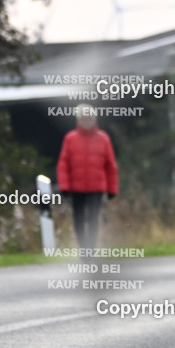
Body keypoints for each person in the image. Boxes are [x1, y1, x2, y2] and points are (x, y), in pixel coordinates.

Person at [56, 103, 118, 249]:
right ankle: (82, 247)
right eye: (83, 118)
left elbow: (110, 165)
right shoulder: (70, 138)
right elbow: (63, 164)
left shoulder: (103, 138)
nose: (86, 121)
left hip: (96, 187)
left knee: (93, 219)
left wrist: (112, 189)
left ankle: (90, 247)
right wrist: (64, 187)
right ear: (78, 120)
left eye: (89, 118)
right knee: (78, 218)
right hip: (76, 187)